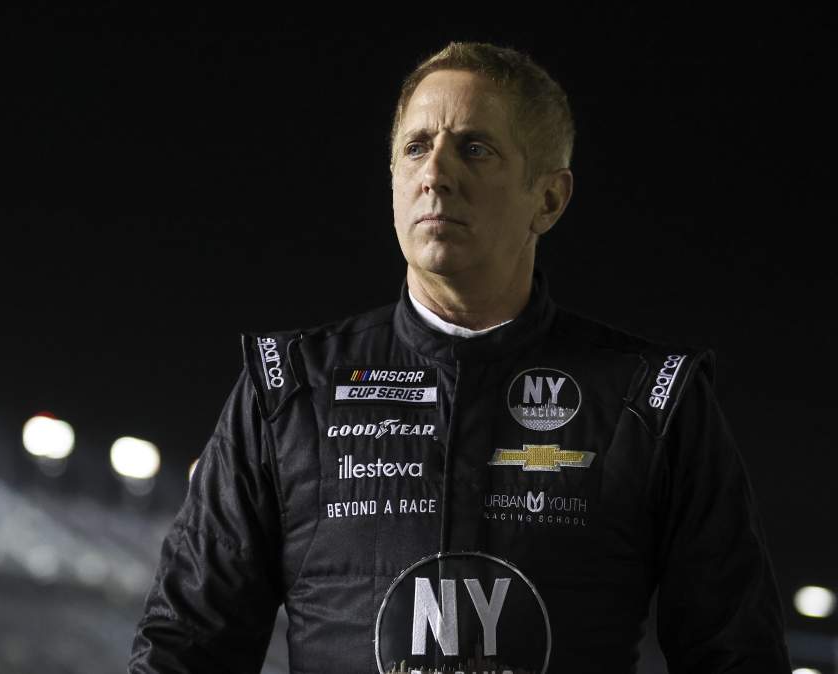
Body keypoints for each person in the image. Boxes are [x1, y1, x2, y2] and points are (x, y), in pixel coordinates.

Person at [129, 41, 790, 673]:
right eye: (416, 148)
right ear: (393, 179)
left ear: (549, 198)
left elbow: (737, 655)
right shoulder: (287, 390)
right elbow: (186, 649)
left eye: (475, 149)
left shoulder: (652, 400)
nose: (436, 174)